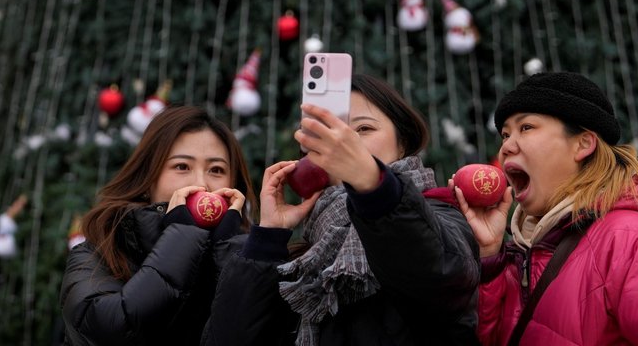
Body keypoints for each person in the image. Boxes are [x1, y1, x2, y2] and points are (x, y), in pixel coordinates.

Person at [203, 74, 480, 345]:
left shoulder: (441, 216)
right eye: (329, 133)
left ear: (403, 144)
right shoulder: (303, 256)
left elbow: (437, 274)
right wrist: (268, 238)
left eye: (363, 129)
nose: (345, 142)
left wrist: (372, 184)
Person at [454, 71, 638, 345]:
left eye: (526, 127)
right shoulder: (525, 249)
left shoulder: (634, 241)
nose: (506, 146)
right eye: (505, 134)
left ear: (583, 143)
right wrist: (489, 258)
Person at [59, 105, 257, 346]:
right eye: (182, 166)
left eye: (216, 170)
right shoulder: (99, 255)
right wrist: (182, 236)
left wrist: (230, 252)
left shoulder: (253, 260)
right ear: (148, 179)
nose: (201, 185)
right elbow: (108, 330)